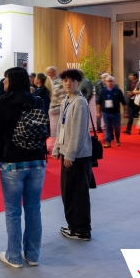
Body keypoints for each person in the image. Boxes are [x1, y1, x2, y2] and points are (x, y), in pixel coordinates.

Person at [0, 67, 47, 268]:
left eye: (5, 79)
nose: (3, 82)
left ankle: (14, 256)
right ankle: (33, 256)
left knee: (13, 211)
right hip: (37, 162)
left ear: (12, 81)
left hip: (12, 164)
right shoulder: (37, 101)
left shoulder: (4, 103)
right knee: (34, 209)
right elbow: (44, 129)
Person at [52, 69, 95, 241]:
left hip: (78, 156)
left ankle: (82, 230)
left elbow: (78, 132)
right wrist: (57, 148)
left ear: (78, 83)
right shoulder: (66, 101)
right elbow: (61, 128)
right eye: (65, 80)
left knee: (78, 193)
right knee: (68, 192)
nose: (68, 83)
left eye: (72, 80)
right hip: (68, 153)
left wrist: (70, 154)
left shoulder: (80, 102)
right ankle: (73, 225)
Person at [98, 76, 125, 147]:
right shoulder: (102, 91)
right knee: (107, 127)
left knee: (117, 127)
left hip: (116, 113)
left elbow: (123, 102)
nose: (110, 82)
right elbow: (99, 103)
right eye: (108, 81)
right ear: (105, 82)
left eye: (111, 81)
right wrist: (98, 112)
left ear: (113, 82)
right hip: (105, 113)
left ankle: (117, 139)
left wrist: (125, 112)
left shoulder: (118, 91)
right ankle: (108, 142)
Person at [46, 66, 65, 152]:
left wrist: (58, 108)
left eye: (48, 72)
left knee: (57, 130)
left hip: (58, 110)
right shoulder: (52, 81)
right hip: (54, 109)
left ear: (52, 72)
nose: (47, 74)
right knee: (56, 130)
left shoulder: (59, 82)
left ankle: (56, 148)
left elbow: (61, 97)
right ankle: (55, 147)